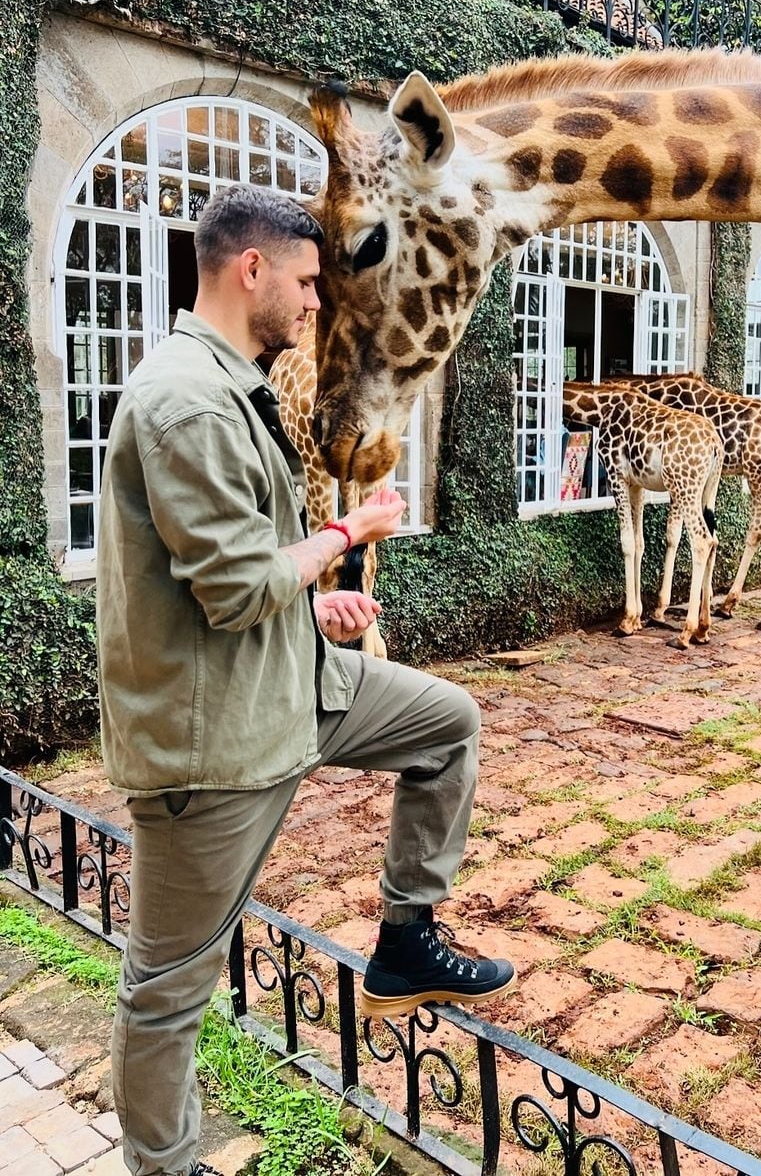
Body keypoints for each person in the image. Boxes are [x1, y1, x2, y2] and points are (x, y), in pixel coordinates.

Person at [96, 182, 515, 1176]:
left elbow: (238, 566)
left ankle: (407, 941)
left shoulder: (226, 383)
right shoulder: (187, 403)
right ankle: (164, 1167)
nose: (318, 301)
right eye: (308, 280)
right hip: (217, 739)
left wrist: (310, 603)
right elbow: (238, 587)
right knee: (166, 988)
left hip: (292, 684)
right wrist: (344, 535)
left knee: (446, 723)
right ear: (253, 271)